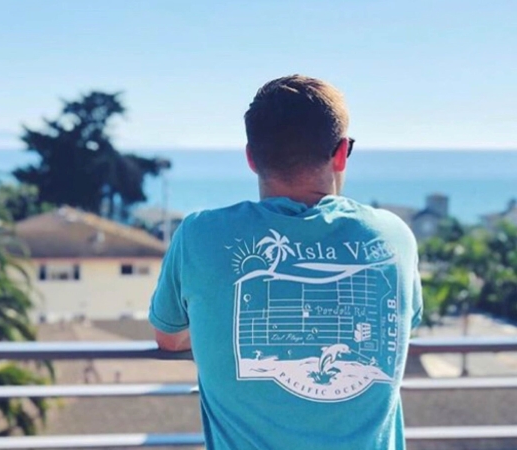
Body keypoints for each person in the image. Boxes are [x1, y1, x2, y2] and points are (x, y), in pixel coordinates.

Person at [149, 75, 422, 450]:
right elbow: (403, 325)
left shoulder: (200, 235)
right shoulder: (394, 238)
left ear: (251, 158)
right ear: (341, 152)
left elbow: (169, 337)